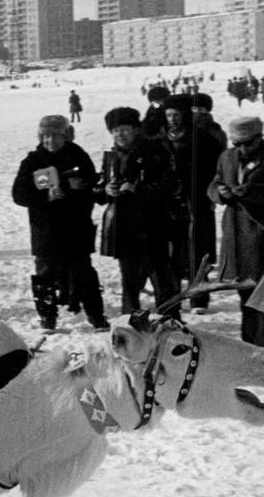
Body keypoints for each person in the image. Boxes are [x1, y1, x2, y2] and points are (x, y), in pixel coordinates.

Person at [12, 115, 107, 330]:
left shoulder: (79, 156)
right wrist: (44, 197)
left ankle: (96, 316)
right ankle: (47, 317)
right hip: (45, 230)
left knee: (84, 273)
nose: (50, 141)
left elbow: (93, 187)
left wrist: (81, 185)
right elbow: (18, 194)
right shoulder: (32, 161)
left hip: (76, 228)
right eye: (45, 136)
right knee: (44, 275)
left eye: (55, 136)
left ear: (65, 136)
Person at [210, 116, 264, 347]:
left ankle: (262, 344)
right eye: (237, 144)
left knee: (262, 292)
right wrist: (220, 193)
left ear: (259, 137)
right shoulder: (227, 157)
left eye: (247, 143)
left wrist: (251, 191)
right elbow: (213, 183)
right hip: (233, 234)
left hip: (260, 234)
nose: (242, 148)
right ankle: (248, 342)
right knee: (244, 293)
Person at [95, 106, 180, 314]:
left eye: (123, 129)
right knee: (129, 281)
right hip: (124, 227)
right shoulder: (111, 157)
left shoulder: (156, 151)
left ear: (135, 129)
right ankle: (130, 323)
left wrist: (138, 189)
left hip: (153, 225)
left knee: (161, 278)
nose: (119, 135)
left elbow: (171, 186)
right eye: (115, 131)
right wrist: (106, 190)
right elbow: (98, 191)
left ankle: (170, 321)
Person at [165, 93, 225, 313]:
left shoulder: (205, 140)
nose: (172, 119)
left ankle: (199, 299)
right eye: (168, 115)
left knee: (198, 251)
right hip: (170, 205)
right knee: (171, 253)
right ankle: (173, 299)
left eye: (175, 115)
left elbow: (216, 172)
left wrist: (211, 195)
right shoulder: (161, 141)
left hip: (198, 203)